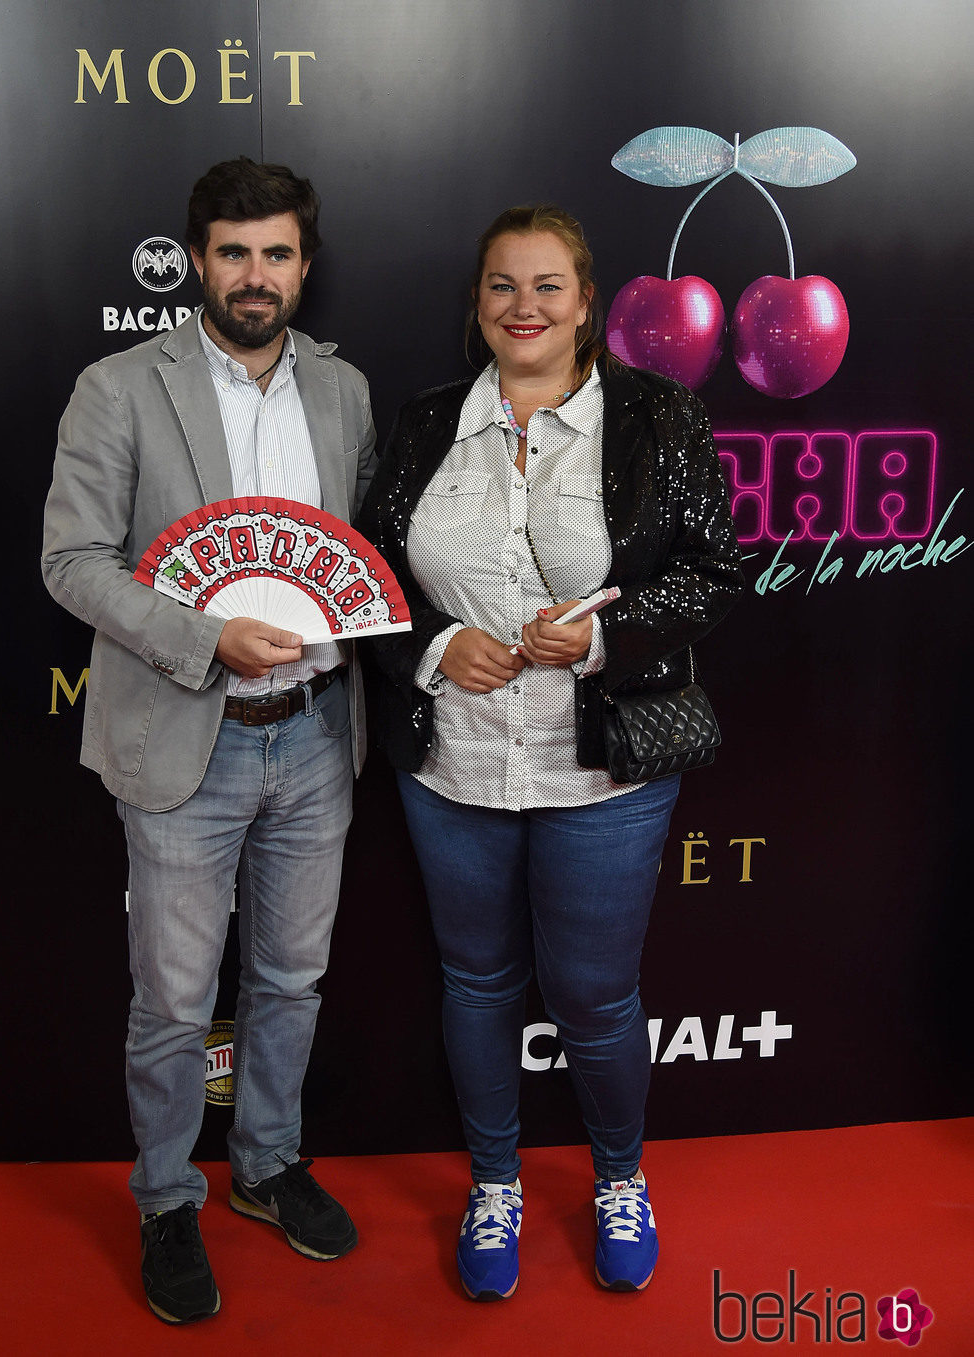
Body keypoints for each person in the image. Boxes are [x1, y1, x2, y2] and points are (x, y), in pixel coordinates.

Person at [358, 205, 742, 1300]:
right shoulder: (427, 419)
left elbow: (715, 570)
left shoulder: (661, 416)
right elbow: (367, 570)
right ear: (475, 303)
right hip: (455, 762)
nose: (521, 307)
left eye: (545, 287)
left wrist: (603, 638)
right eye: (499, 287)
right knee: (476, 982)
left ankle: (619, 1178)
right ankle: (494, 1184)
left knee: (594, 994)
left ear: (585, 300)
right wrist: (435, 646)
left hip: (602, 766)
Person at [42, 158, 375, 1325]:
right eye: (233, 252)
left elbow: (361, 560)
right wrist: (204, 634)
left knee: (291, 976)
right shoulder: (120, 386)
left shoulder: (343, 392)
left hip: (318, 736)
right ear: (197, 262)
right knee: (175, 1000)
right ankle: (167, 1197)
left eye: (276, 253)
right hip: (190, 737)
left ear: (303, 266)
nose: (254, 275)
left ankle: (268, 1165)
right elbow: (71, 561)